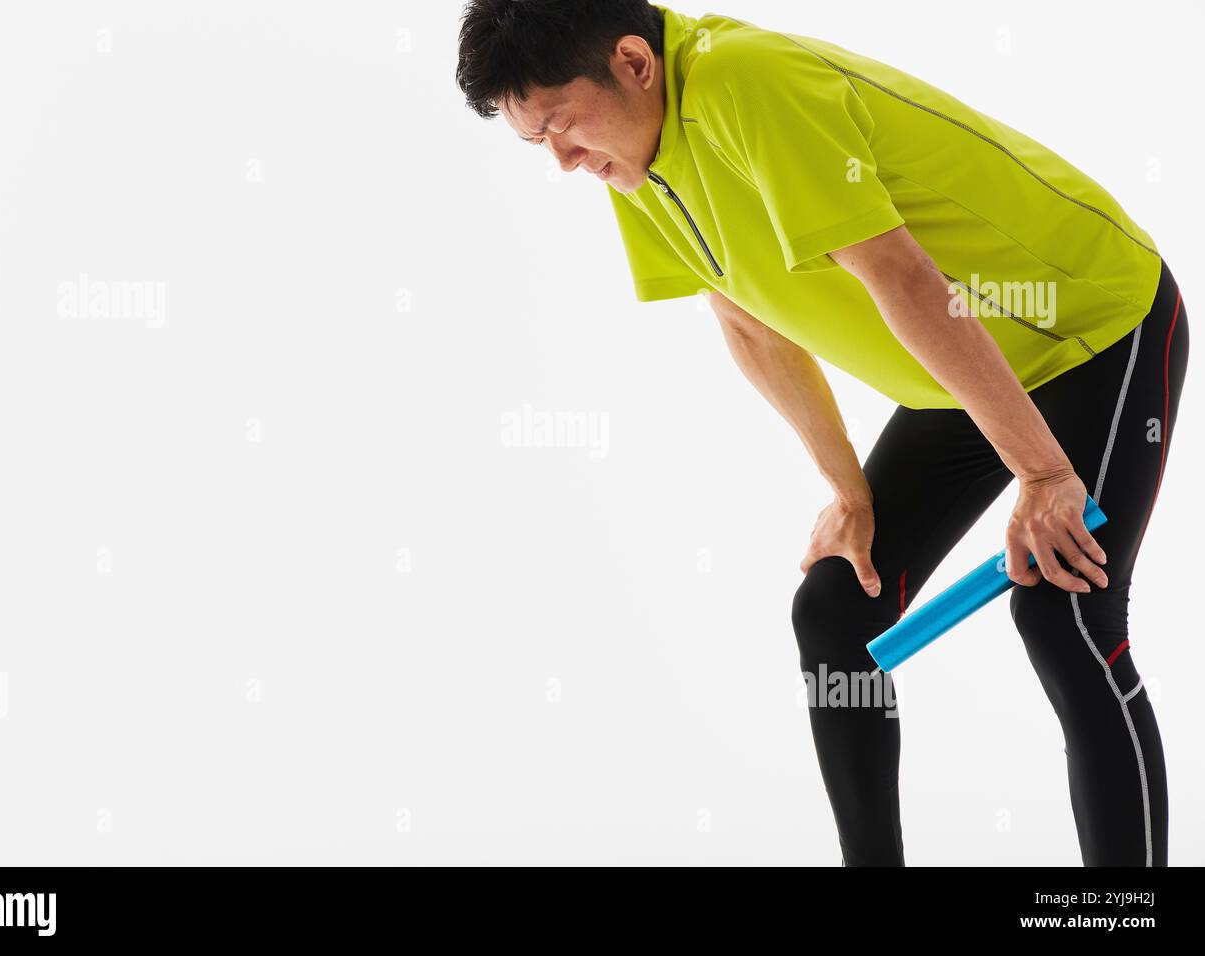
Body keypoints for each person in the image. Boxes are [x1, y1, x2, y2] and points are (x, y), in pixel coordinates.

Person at [455, 0, 1188, 866]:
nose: (564, 162)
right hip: (963, 373)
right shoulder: (635, 161)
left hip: (1092, 329)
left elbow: (903, 277)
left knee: (1063, 608)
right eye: (535, 143)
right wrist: (849, 495)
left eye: (561, 127)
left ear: (632, 63)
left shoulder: (745, 81)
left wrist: (1042, 474)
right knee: (837, 610)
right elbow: (746, 321)